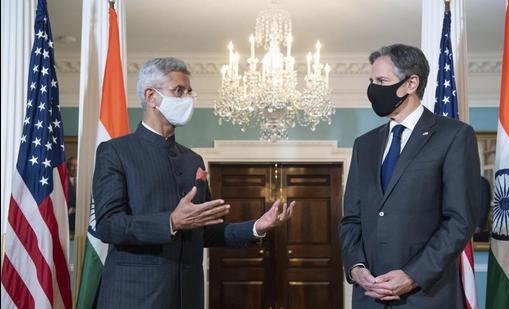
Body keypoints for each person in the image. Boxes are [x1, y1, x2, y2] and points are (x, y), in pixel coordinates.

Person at [92, 57, 295, 308]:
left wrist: (257, 227)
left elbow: (206, 231)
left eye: (189, 91)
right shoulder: (115, 152)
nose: (187, 98)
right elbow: (108, 226)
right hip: (134, 297)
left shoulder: (193, 160)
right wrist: (171, 222)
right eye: (179, 90)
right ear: (151, 96)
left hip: (187, 297)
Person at [339, 44, 480, 308]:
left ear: (411, 83)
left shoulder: (454, 135)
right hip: (369, 297)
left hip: (427, 296)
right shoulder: (364, 144)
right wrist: (356, 268)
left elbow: (460, 220)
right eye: (371, 81)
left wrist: (413, 275)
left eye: (381, 81)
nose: (373, 89)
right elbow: (351, 220)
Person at [67, 156, 77, 234]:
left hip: (80, 223)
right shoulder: (62, 182)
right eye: (72, 165)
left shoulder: (84, 182)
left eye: (77, 165)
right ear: (68, 167)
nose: (75, 168)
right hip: (67, 222)